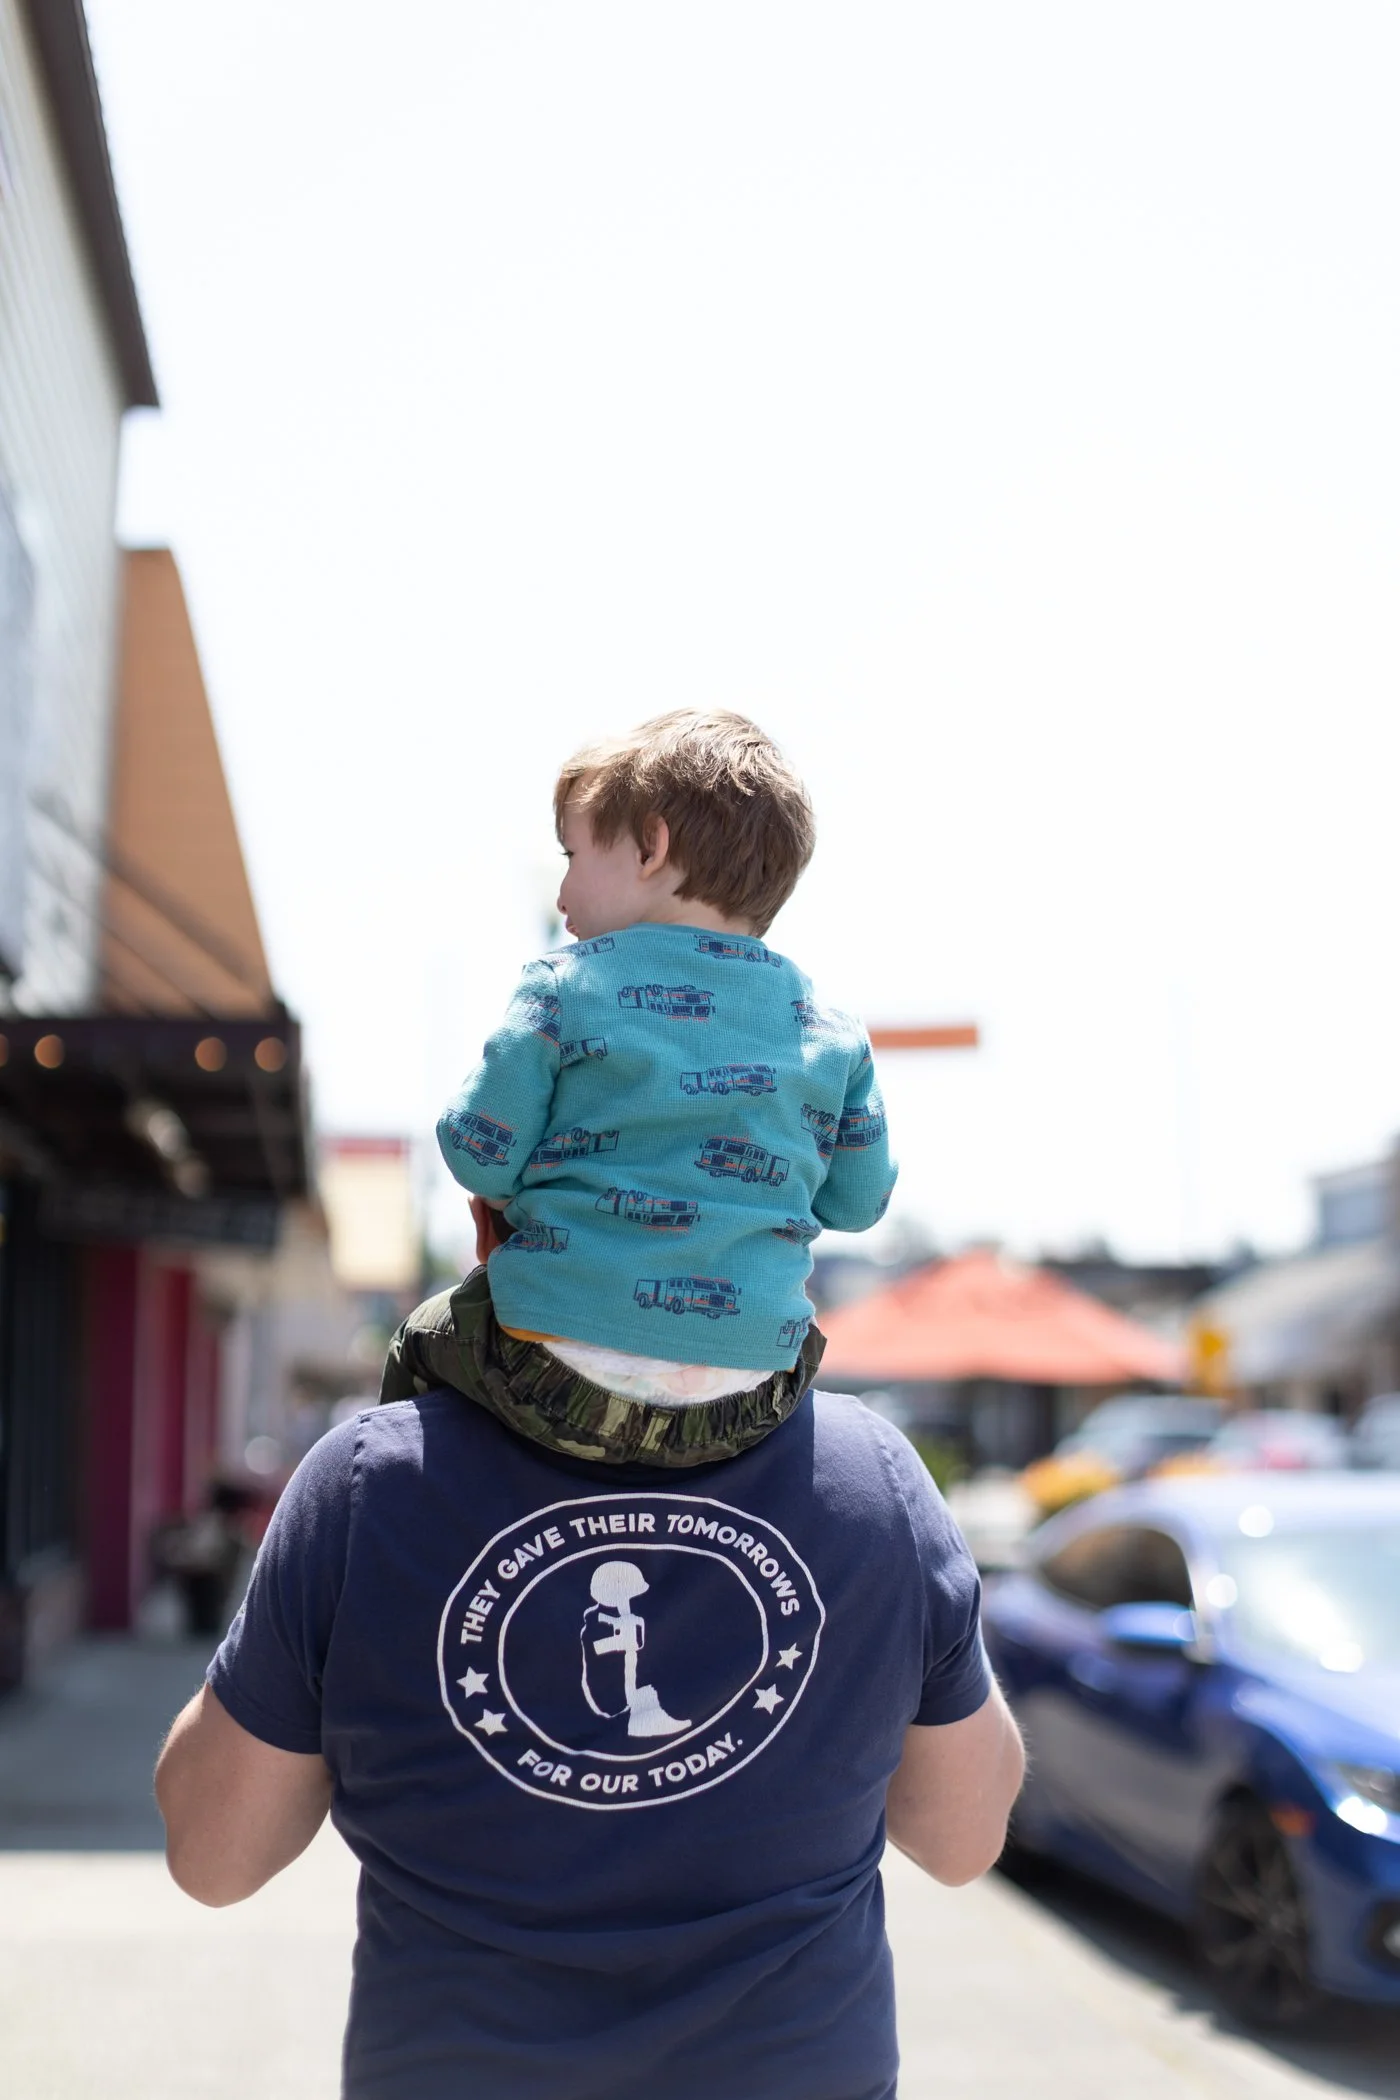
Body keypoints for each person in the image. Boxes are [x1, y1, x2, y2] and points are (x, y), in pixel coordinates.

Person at [156, 711, 1024, 2100]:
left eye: (572, 856)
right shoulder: (878, 1487)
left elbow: (213, 1861)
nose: (564, 891)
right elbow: (963, 1837)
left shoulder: (369, 1482)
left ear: (653, 844)